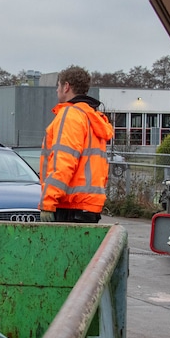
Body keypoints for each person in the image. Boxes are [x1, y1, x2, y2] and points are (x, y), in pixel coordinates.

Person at [38, 65, 114, 223]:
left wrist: (48, 201)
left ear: (66, 87)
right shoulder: (92, 117)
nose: (56, 90)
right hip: (89, 205)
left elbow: (64, 161)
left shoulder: (70, 115)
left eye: (58, 86)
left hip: (70, 205)